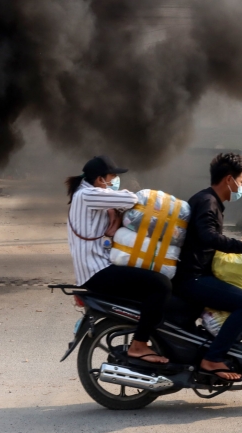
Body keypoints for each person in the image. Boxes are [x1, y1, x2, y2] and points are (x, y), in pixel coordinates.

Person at [174, 153, 242, 381]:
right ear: (229, 179)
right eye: (241, 182)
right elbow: (209, 237)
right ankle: (213, 357)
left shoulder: (209, 201)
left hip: (195, 273)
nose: (241, 187)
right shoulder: (208, 202)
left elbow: (210, 237)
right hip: (193, 278)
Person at [66, 155, 171, 364]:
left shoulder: (86, 194)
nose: (114, 182)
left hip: (99, 266)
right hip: (97, 272)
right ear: (99, 179)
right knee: (161, 285)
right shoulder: (88, 194)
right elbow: (131, 199)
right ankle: (139, 344)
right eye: (112, 178)